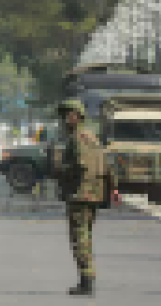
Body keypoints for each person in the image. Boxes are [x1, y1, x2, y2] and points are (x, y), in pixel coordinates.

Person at [53, 98, 106, 297]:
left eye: (69, 115)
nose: (66, 119)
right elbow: (104, 166)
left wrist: (59, 168)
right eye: (65, 116)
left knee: (79, 239)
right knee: (86, 237)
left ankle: (86, 281)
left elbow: (79, 166)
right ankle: (87, 279)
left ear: (77, 116)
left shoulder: (76, 139)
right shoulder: (93, 138)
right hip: (93, 194)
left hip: (80, 194)